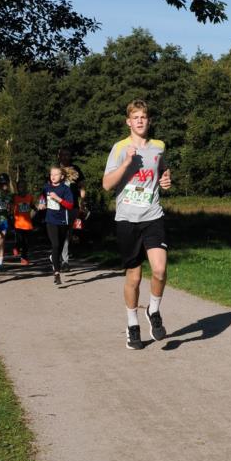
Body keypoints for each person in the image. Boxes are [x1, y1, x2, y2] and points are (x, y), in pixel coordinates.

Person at [102, 99, 171, 350]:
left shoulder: (159, 147)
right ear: (128, 121)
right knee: (134, 276)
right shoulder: (120, 148)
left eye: (144, 117)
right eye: (136, 117)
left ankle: (153, 310)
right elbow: (107, 184)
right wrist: (126, 164)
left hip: (153, 216)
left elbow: (161, 168)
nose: (140, 121)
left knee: (160, 270)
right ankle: (132, 326)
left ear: (148, 120)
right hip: (127, 220)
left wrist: (165, 178)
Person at [38, 166, 73, 285]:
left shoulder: (65, 189)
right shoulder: (46, 187)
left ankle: (54, 258)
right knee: (55, 245)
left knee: (59, 247)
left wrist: (58, 199)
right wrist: (41, 204)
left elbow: (70, 205)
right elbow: (42, 197)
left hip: (63, 221)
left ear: (62, 176)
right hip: (50, 221)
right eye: (51, 174)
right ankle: (57, 273)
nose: (53, 176)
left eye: (56, 174)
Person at [57, 147, 86, 272]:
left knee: (68, 233)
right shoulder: (55, 170)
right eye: (63, 155)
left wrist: (82, 201)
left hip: (73, 205)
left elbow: (82, 186)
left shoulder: (76, 169)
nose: (65, 157)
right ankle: (58, 256)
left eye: (67, 155)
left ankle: (65, 261)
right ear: (59, 156)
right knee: (59, 233)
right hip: (57, 206)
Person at [12, 180, 35, 265]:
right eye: (20, 187)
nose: (22, 189)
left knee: (26, 243)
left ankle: (24, 258)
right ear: (17, 189)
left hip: (28, 224)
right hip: (18, 224)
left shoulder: (30, 197)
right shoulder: (15, 198)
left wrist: (35, 209)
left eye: (24, 187)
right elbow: (10, 206)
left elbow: (32, 205)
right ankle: (16, 247)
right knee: (19, 240)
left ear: (26, 188)